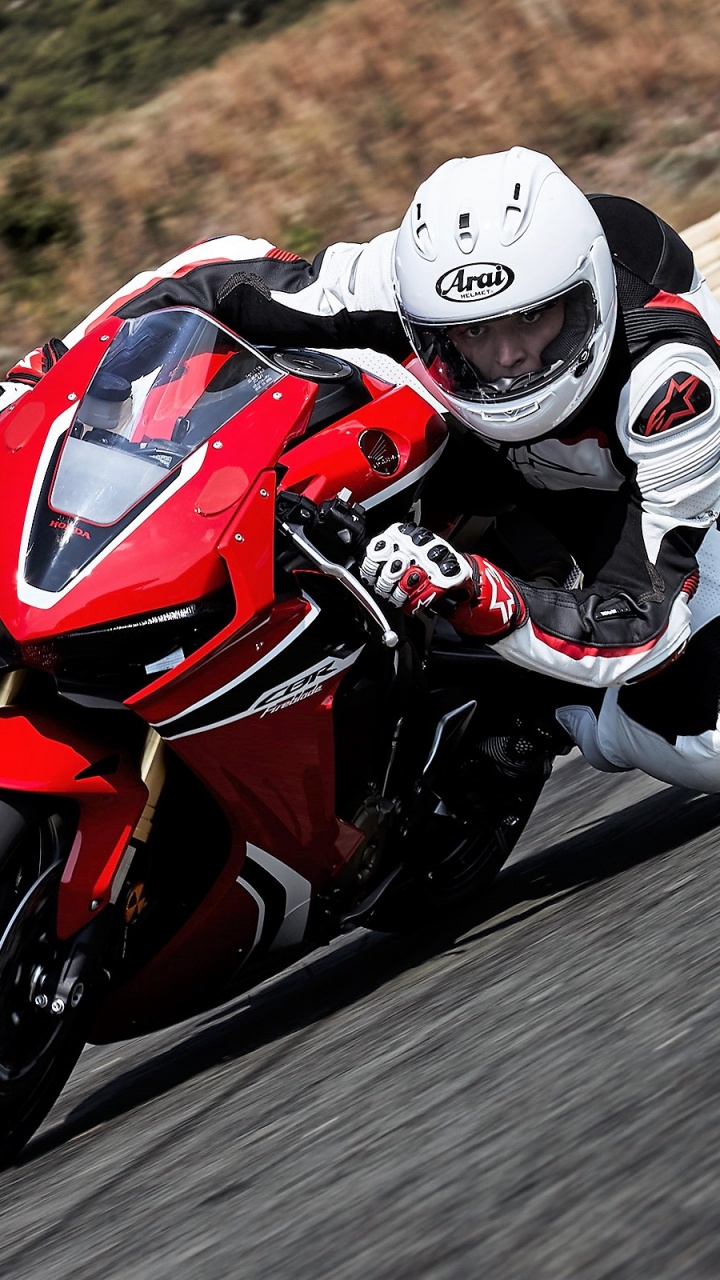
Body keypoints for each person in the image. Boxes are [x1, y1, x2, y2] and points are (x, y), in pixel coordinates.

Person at [5, 145, 720, 793]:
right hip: (476, 456)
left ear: (585, 297)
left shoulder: (670, 383)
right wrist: (39, 378)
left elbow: (643, 623)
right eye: (472, 331)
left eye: (532, 321)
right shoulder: (404, 287)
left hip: (637, 502)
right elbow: (209, 275)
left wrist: (479, 591)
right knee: (309, 392)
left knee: (696, 737)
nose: (506, 359)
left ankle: (551, 712)